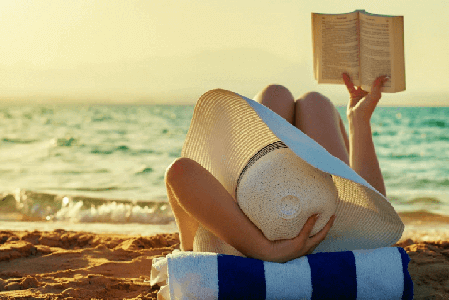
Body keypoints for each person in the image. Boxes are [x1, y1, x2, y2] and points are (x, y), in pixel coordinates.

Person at [164, 73, 390, 263]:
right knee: (314, 101)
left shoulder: (233, 237)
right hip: (326, 226)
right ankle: (190, 244)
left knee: (277, 93)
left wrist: (266, 250)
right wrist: (359, 119)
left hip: (252, 229)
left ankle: (189, 244)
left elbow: (180, 171)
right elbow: (378, 216)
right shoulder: (340, 238)